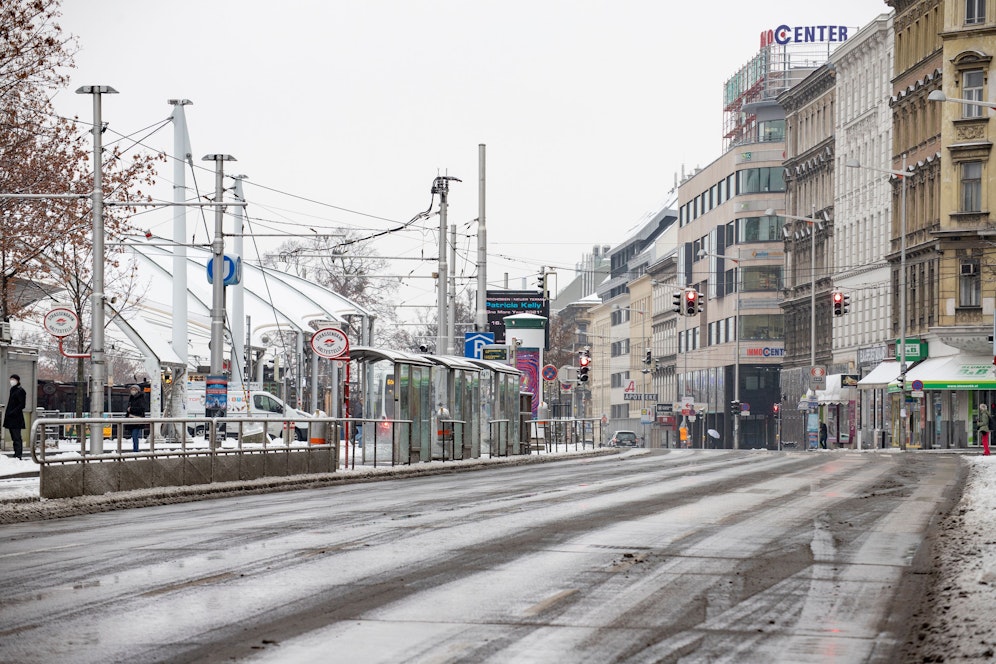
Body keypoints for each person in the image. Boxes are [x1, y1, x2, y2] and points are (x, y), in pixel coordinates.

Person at [3, 374, 26, 459]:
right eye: (11, 379)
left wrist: (13, 412)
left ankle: (18, 454)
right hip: (11, 418)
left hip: (16, 418)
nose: (11, 381)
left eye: (13, 379)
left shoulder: (20, 391)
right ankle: (16, 453)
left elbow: (22, 404)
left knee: (17, 437)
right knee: (14, 437)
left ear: (17, 380)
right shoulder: (12, 390)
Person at [125, 384, 146, 452]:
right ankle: (135, 449)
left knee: (135, 435)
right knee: (134, 436)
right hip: (132, 419)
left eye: (134, 389)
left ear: (138, 390)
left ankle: (135, 450)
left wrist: (131, 409)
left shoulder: (140, 398)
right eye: (131, 389)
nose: (132, 391)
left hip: (137, 419)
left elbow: (142, 408)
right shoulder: (131, 398)